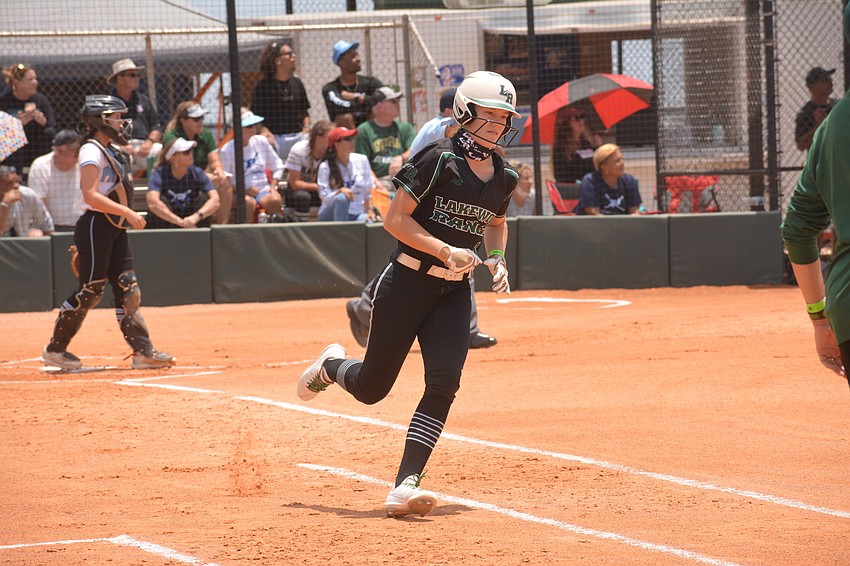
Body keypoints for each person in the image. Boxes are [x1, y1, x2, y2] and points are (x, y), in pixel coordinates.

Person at [297, 71, 519, 518]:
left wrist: (496, 258)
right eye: (488, 116)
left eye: (503, 118)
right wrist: (444, 249)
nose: (496, 125)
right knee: (372, 388)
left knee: (444, 381)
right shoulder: (438, 158)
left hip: (454, 293)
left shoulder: (505, 175)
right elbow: (395, 220)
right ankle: (332, 365)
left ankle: (405, 484)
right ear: (464, 113)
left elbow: (495, 221)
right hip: (406, 282)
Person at [40, 94, 174, 371]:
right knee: (91, 291)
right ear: (98, 121)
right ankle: (55, 350)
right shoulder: (91, 150)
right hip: (95, 225)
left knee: (129, 288)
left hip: (113, 228)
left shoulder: (112, 149)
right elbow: (89, 195)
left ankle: (143, 352)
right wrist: (126, 211)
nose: (122, 122)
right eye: (115, 117)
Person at [780, 4, 850, 387]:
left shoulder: (840, 113)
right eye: (823, 81)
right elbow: (799, 142)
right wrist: (818, 128)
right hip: (825, 170)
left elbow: (796, 228)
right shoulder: (814, 112)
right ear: (813, 86)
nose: (828, 85)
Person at [162, 101, 232, 224]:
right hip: (176, 180)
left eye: (201, 118)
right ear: (183, 121)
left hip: (199, 178)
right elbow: (180, 167)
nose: (200, 122)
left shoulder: (206, 135)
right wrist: (205, 177)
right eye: (196, 119)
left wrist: (218, 171)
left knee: (224, 182)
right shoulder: (171, 137)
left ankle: (222, 226)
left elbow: (215, 160)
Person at [250, 39, 311, 161]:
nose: (293, 56)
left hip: (297, 136)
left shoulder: (297, 83)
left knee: (314, 140)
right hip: (274, 138)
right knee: (262, 141)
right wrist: (265, 132)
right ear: (277, 61)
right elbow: (256, 118)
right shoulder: (262, 87)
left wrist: (307, 128)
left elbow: (305, 112)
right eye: (289, 54)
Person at [219, 109, 285, 222]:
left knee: (275, 199)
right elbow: (226, 182)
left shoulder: (261, 141)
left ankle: (275, 234)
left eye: (254, 125)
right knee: (247, 203)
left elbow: (278, 165)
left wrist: (273, 187)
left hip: (263, 190)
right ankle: (248, 236)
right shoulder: (227, 150)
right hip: (240, 193)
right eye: (249, 126)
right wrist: (244, 190)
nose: (253, 129)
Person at [145, 138, 220, 229]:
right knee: (160, 202)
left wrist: (196, 217)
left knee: (204, 199)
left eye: (191, 151)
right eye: (186, 152)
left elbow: (215, 200)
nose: (191, 154)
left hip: (191, 219)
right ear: (173, 157)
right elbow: (153, 203)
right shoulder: (159, 173)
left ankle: (201, 238)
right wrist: (178, 221)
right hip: (168, 222)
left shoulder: (197, 172)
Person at [0, 63, 56, 179]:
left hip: (37, 143)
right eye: (30, 79)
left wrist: (43, 122)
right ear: (17, 82)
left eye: (35, 78)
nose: (35, 82)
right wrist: (17, 124)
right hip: (16, 147)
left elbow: (52, 125)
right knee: (14, 136)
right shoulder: (4, 101)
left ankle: (44, 169)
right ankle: (15, 173)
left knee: (49, 132)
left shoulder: (41, 100)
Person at [355, 86, 416, 191]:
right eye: (393, 101)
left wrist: (400, 158)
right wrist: (377, 185)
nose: (398, 104)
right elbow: (363, 164)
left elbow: (415, 149)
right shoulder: (364, 130)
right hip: (379, 180)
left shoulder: (405, 128)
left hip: (403, 178)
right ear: (380, 106)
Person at [105, 59, 161, 170]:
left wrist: (149, 143)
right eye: (132, 75)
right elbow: (102, 130)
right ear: (119, 79)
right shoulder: (108, 103)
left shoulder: (143, 99)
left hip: (144, 146)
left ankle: (157, 186)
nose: (137, 78)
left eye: (138, 75)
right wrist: (122, 146)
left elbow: (156, 127)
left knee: (164, 153)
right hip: (118, 146)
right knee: (118, 157)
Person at [316, 127, 375, 222]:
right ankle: (340, 235)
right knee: (342, 199)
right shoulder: (325, 166)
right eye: (348, 139)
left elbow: (369, 190)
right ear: (337, 144)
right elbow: (324, 197)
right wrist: (339, 192)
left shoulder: (362, 160)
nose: (352, 141)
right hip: (329, 214)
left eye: (352, 138)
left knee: (369, 221)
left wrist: (370, 210)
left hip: (357, 212)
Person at [28, 129, 82, 232]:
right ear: (59, 151)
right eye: (75, 150)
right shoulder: (40, 166)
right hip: (51, 227)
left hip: (82, 225)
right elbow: (40, 203)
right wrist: (50, 229)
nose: (78, 153)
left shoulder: (84, 163)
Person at [322, 40, 384, 129]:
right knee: (345, 118)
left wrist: (357, 98)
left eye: (357, 55)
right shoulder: (331, 88)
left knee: (375, 114)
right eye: (353, 56)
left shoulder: (370, 82)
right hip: (345, 136)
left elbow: (384, 97)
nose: (358, 59)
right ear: (341, 63)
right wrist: (368, 104)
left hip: (369, 128)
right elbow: (340, 107)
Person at [284, 120, 333, 221]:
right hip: (297, 191)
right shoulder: (299, 150)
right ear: (318, 138)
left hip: (319, 190)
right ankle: (302, 229)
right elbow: (294, 183)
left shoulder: (332, 153)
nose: (332, 141)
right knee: (303, 197)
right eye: (329, 138)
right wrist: (318, 187)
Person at [575, 144, 641, 216]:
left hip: (622, 225)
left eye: (622, 159)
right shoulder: (590, 182)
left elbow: (634, 212)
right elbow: (593, 214)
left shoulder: (629, 181)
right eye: (617, 161)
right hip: (594, 225)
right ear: (604, 167)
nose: (622, 163)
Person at [550, 106, 601, 184]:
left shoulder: (585, 143)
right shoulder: (560, 148)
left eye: (582, 117)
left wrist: (597, 148)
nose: (581, 121)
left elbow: (597, 166)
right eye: (577, 118)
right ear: (566, 124)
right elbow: (561, 177)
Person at [0, 165, 54, 237]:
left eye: (17, 181)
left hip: (25, 245)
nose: (16, 186)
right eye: (10, 183)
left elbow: (47, 225)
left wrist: (37, 233)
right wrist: (5, 205)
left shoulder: (28, 195)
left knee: (37, 234)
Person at [795, 66, 838, 153]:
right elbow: (800, 145)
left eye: (829, 78)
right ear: (813, 86)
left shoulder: (836, 106)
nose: (830, 81)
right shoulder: (806, 112)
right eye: (825, 79)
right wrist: (818, 127)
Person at [408, 88, 459, 156]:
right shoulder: (436, 125)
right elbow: (450, 126)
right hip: (419, 165)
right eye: (459, 110)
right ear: (447, 111)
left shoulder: (432, 123)